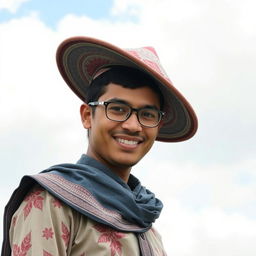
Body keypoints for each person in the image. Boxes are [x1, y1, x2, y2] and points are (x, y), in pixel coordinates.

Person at [1, 36, 198, 256]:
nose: (133, 126)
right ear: (87, 116)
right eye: (117, 109)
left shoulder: (148, 229)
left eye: (147, 114)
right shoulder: (50, 202)